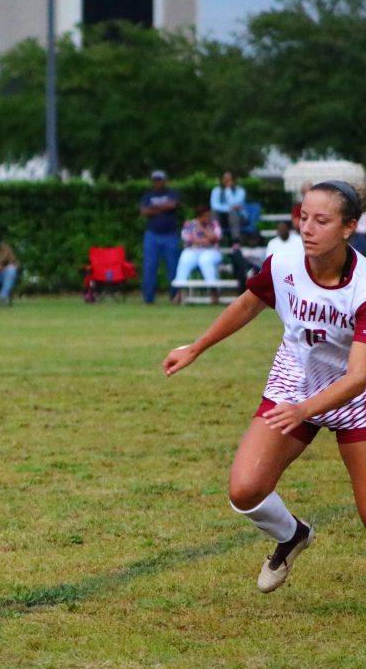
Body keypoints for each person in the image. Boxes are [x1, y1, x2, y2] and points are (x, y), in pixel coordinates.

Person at [161, 180, 366, 593]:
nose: (308, 228)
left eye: (321, 220)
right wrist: (196, 347)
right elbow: (248, 303)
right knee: (246, 490)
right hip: (296, 381)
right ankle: (292, 535)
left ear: (349, 228)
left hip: (356, 396)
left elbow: (359, 375)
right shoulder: (283, 264)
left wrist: (305, 411)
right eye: (303, 217)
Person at [140, 170, 182, 304]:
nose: (157, 182)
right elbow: (144, 211)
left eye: (160, 180)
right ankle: (148, 298)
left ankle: (175, 296)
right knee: (149, 266)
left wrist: (154, 208)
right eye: (155, 180)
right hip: (152, 235)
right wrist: (164, 207)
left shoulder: (172, 193)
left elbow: (173, 204)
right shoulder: (148, 195)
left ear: (165, 180)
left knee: (173, 267)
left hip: (171, 235)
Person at [171, 203, 223, 300]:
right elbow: (188, 239)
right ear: (199, 216)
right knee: (185, 259)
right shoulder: (189, 224)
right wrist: (206, 241)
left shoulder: (214, 224)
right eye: (205, 216)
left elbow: (215, 238)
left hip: (211, 251)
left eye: (208, 215)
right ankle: (179, 293)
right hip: (193, 250)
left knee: (205, 260)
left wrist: (203, 229)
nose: (207, 218)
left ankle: (214, 292)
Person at [210, 170, 247, 243]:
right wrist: (229, 208)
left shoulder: (240, 191)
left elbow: (234, 203)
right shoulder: (216, 190)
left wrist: (228, 190)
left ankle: (236, 241)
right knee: (214, 213)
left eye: (229, 179)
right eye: (225, 178)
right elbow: (214, 206)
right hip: (223, 217)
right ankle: (215, 238)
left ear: (233, 180)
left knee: (233, 212)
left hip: (239, 217)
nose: (227, 181)